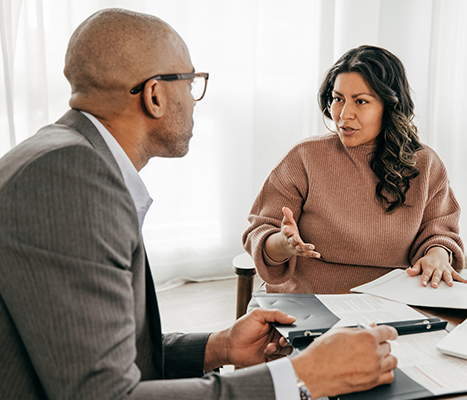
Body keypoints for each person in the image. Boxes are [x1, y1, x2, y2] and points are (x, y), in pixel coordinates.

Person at [0, 9, 398, 400]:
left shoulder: (70, 160)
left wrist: (220, 346)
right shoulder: (69, 179)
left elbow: (99, 355)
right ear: (155, 95)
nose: (195, 100)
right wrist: (301, 376)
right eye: (191, 83)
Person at [243, 45, 467, 294]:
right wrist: (284, 245)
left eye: (361, 101)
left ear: (390, 105)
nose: (344, 114)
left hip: (392, 304)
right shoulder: (304, 157)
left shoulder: (425, 165)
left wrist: (437, 254)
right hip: (308, 300)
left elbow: (439, 232)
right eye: (338, 99)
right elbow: (261, 231)